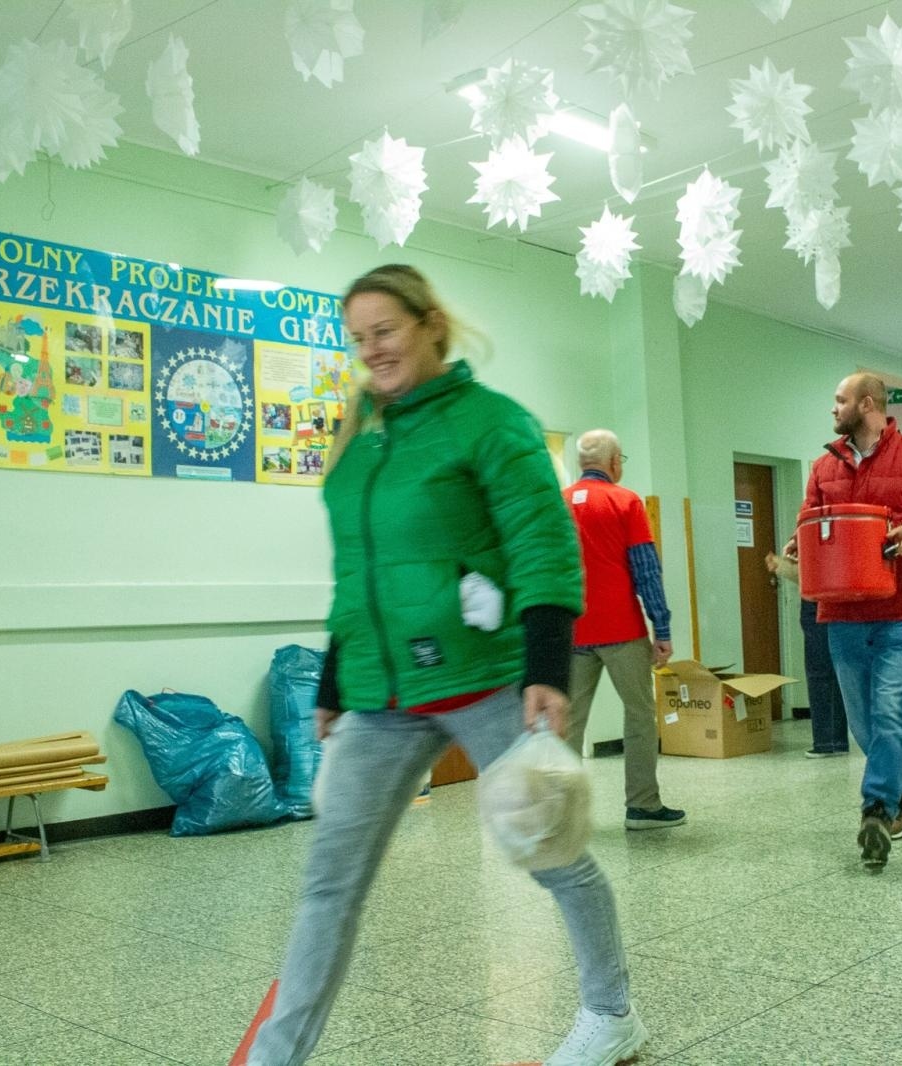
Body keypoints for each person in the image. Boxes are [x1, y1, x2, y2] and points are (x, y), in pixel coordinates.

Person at [246, 265, 646, 1066]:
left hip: (488, 675)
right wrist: (333, 680)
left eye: (384, 331)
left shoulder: (491, 423)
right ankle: (276, 1057)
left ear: (431, 325)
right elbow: (356, 576)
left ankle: (612, 1013)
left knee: (552, 850)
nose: (372, 350)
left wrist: (543, 667)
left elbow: (543, 547)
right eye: (358, 339)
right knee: (330, 880)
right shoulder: (361, 440)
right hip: (383, 696)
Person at [785, 371, 902, 868]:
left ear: (866, 403)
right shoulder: (822, 467)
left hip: (899, 610)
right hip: (839, 610)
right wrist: (800, 540)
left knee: (886, 710)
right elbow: (810, 519)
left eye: (839, 400)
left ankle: (876, 811)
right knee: (863, 720)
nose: (832, 409)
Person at [561, 430, 686, 830]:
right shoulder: (625, 500)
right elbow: (646, 570)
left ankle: (560, 816)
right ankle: (642, 806)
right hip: (620, 629)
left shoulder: (557, 504)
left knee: (566, 724)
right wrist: (661, 628)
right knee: (638, 716)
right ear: (614, 462)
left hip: (571, 630)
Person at [764, 551, 849, 756]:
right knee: (828, 670)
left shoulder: (817, 523)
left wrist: (782, 567)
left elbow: (820, 572)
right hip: (823, 594)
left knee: (821, 670)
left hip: (824, 596)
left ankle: (829, 742)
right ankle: (832, 741)